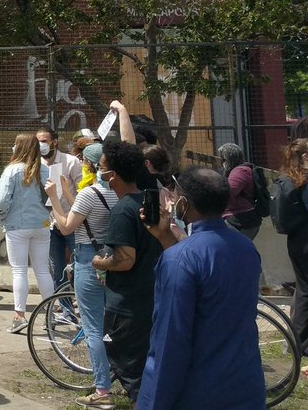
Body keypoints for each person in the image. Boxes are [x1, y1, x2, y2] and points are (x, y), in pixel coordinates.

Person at [134, 167, 264, 408]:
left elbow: (170, 340)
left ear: (183, 203)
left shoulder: (180, 259)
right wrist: (165, 237)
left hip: (199, 389)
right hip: (245, 382)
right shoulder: (245, 247)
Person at [90, 139, 163, 406]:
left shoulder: (122, 211)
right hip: (151, 297)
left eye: (102, 168)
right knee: (145, 368)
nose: (100, 172)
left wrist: (99, 262)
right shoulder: (149, 200)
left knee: (130, 370)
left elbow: (125, 260)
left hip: (127, 306)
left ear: (113, 176)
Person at [46, 140, 117, 408]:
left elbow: (66, 227)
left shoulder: (91, 193)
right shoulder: (117, 193)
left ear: (91, 164)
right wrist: (69, 194)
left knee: (93, 328)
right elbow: (88, 213)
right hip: (113, 259)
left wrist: (54, 197)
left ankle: (102, 389)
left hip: (89, 259)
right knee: (112, 323)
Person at [0, 133, 54, 334]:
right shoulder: (44, 169)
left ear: (19, 148)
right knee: (43, 270)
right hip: (42, 224)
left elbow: (1, 200)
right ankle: (50, 316)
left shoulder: (11, 170)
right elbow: (54, 196)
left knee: (19, 270)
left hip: (17, 225)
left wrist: (3, 217)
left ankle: (19, 316)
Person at [38, 126, 80, 294]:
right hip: (48, 222)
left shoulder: (70, 162)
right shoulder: (36, 164)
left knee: (78, 264)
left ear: (54, 142)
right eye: (37, 142)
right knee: (56, 268)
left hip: (71, 220)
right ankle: (65, 307)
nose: (40, 145)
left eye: (43, 141)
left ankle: (80, 298)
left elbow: (81, 189)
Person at [280, 139, 308, 351]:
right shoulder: (305, 181)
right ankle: (299, 344)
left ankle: (296, 342)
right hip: (305, 241)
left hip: (297, 240)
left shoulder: (291, 178)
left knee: (303, 289)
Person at [217, 143, 262, 239]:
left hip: (242, 219)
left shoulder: (240, 171)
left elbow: (227, 194)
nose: (221, 163)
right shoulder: (235, 171)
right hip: (237, 218)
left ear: (231, 158)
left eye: (224, 160)